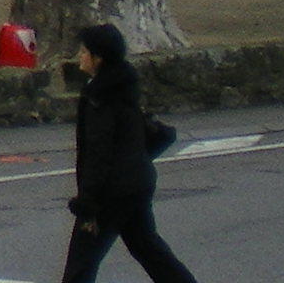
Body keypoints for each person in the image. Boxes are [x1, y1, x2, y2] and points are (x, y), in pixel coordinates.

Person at [62, 21, 199, 283]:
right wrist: (135, 163)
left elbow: (98, 153)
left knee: (81, 264)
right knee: (148, 249)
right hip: (137, 183)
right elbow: (150, 133)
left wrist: (88, 205)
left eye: (84, 51)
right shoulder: (125, 88)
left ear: (98, 58)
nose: (80, 55)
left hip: (111, 193)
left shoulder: (98, 98)